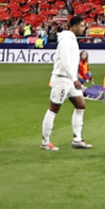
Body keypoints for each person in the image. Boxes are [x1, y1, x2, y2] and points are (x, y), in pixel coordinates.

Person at [41, 15, 91, 151]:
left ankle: (77, 139)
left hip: (69, 79)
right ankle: (45, 142)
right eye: (81, 25)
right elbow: (64, 61)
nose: (83, 28)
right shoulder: (66, 40)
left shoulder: (72, 39)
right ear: (74, 26)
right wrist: (74, 79)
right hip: (62, 79)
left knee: (80, 105)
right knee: (54, 109)